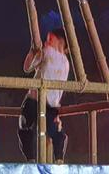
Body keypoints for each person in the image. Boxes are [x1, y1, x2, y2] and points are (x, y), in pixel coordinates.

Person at [17, 29, 70, 161]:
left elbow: (27, 67)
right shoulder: (66, 62)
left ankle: (31, 160)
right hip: (50, 104)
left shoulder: (48, 53)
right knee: (55, 133)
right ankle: (58, 160)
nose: (46, 42)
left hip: (38, 101)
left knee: (26, 129)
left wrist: (33, 52)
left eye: (50, 39)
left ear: (61, 41)